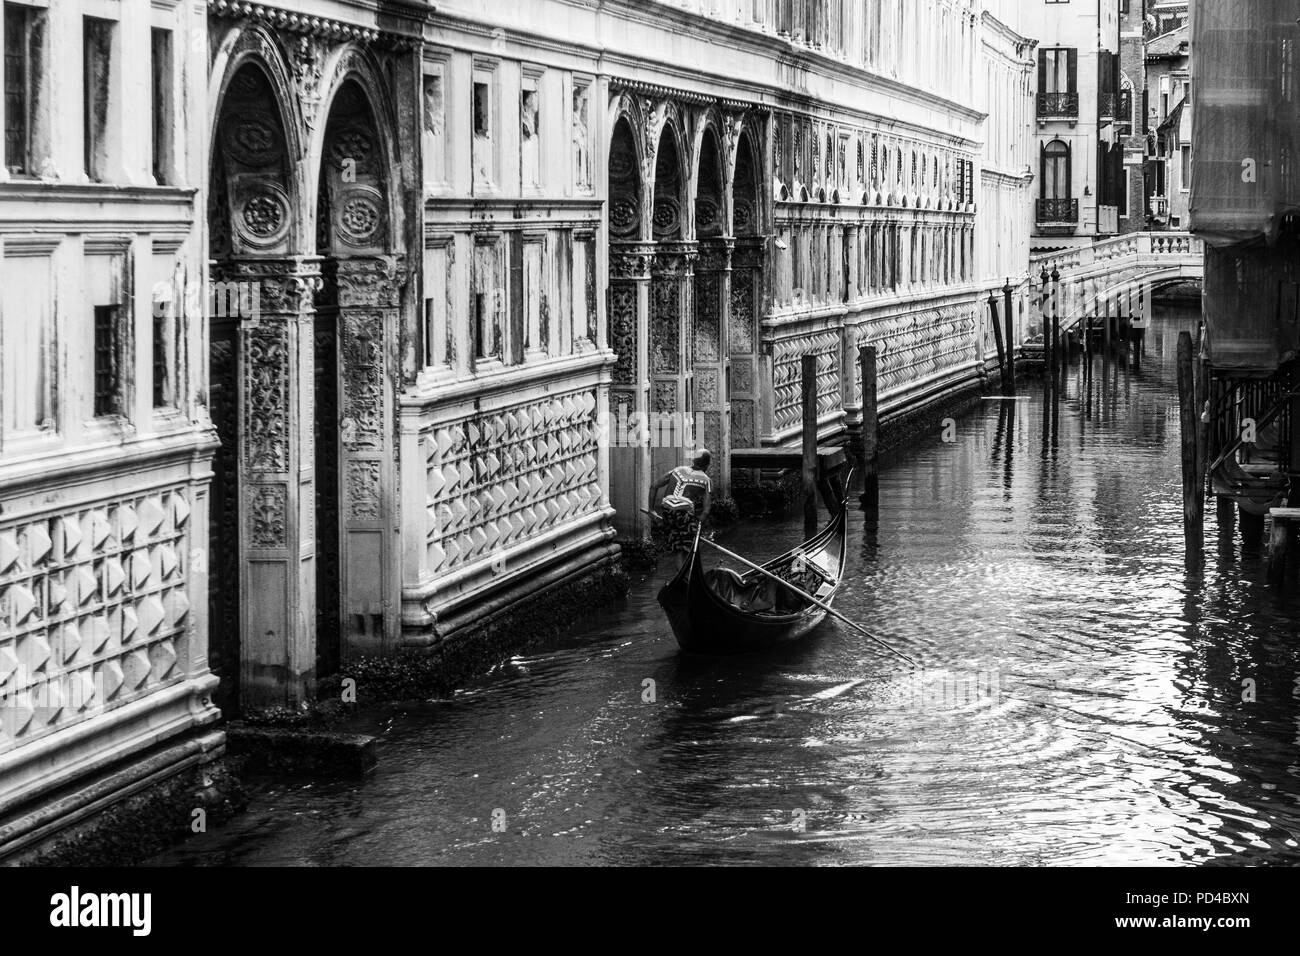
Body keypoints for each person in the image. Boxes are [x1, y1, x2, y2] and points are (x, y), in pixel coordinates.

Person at [649, 449, 712, 563]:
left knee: (678, 546)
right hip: (684, 512)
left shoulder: (677, 470)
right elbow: (706, 510)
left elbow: (654, 486)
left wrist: (651, 510)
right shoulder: (706, 480)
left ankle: (682, 574)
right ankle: (688, 575)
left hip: (667, 509)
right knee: (689, 546)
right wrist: (698, 526)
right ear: (707, 465)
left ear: (693, 460)